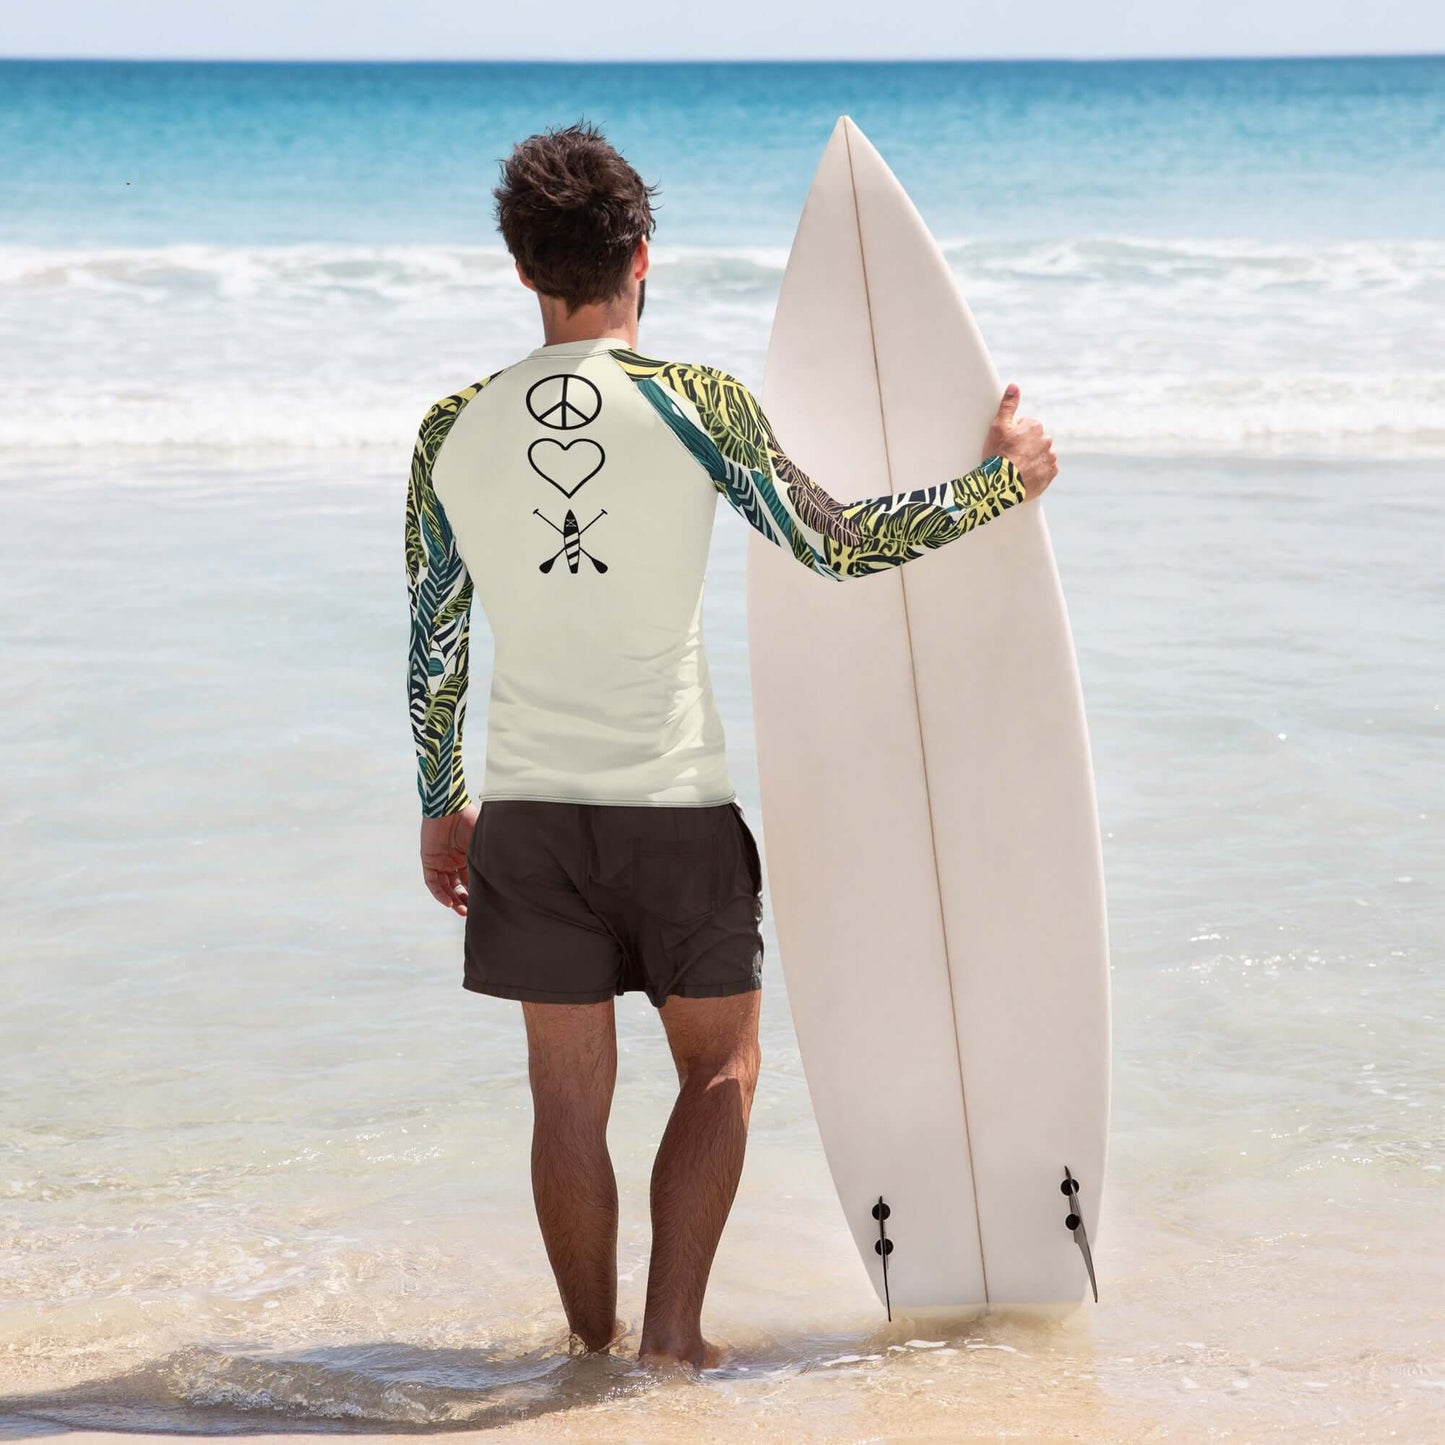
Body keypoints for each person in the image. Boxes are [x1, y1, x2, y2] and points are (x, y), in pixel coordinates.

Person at [404, 121, 1058, 1371]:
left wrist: (443, 806)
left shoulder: (449, 429)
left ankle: (585, 1353)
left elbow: (437, 638)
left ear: (521, 269)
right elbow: (836, 542)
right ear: (640, 254)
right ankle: (669, 1341)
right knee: (720, 1070)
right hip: (674, 813)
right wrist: (995, 485)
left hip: (530, 819)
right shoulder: (690, 402)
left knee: (564, 1100)